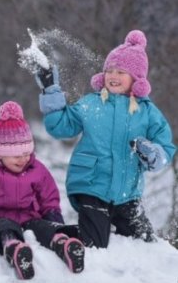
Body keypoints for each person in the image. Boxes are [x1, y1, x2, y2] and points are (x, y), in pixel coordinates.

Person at [34, 29, 176, 248]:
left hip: (127, 193)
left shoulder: (147, 112)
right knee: (95, 243)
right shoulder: (91, 104)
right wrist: (50, 91)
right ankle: (53, 238)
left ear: (136, 78)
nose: (113, 76)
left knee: (145, 243)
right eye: (109, 70)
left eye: (120, 71)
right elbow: (60, 127)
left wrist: (152, 154)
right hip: (91, 186)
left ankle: (135, 277)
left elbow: (165, 147)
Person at [0, 101, 85, 280]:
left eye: (27, 153)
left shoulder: (36, 170)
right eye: (17, 155)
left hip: (28, 219)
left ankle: (63, 245)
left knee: (42, 227)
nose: (23, 159)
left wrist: (55, 223)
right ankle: (15, 250)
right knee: (3, 228)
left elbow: (49, 200)